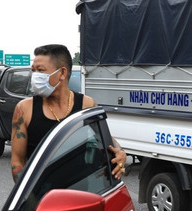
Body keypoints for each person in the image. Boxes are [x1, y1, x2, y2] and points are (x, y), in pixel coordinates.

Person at [9, 44, 126, 182]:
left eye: (40, 70)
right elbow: (17, 161)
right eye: (33, 71)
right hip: (42, 197)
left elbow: (106, 140)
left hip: (79, 192)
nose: (35, 76)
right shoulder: (24, 109)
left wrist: (121, 152)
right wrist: (29, 199)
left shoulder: (86, 105)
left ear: (62, 73)